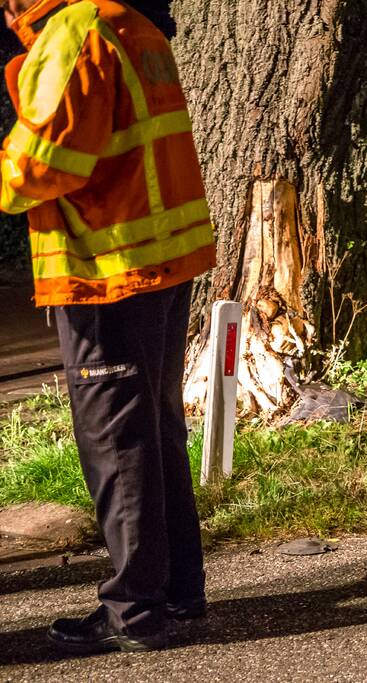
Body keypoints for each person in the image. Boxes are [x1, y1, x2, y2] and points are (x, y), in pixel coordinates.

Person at [0, 0, 216, 653]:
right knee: (152, 427)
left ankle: (136, 610)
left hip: (107, 265)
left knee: (118, 438)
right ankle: (174, 589)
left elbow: (44, 165)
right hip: (156, 256)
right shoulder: (130, 22)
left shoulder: (73, 32)